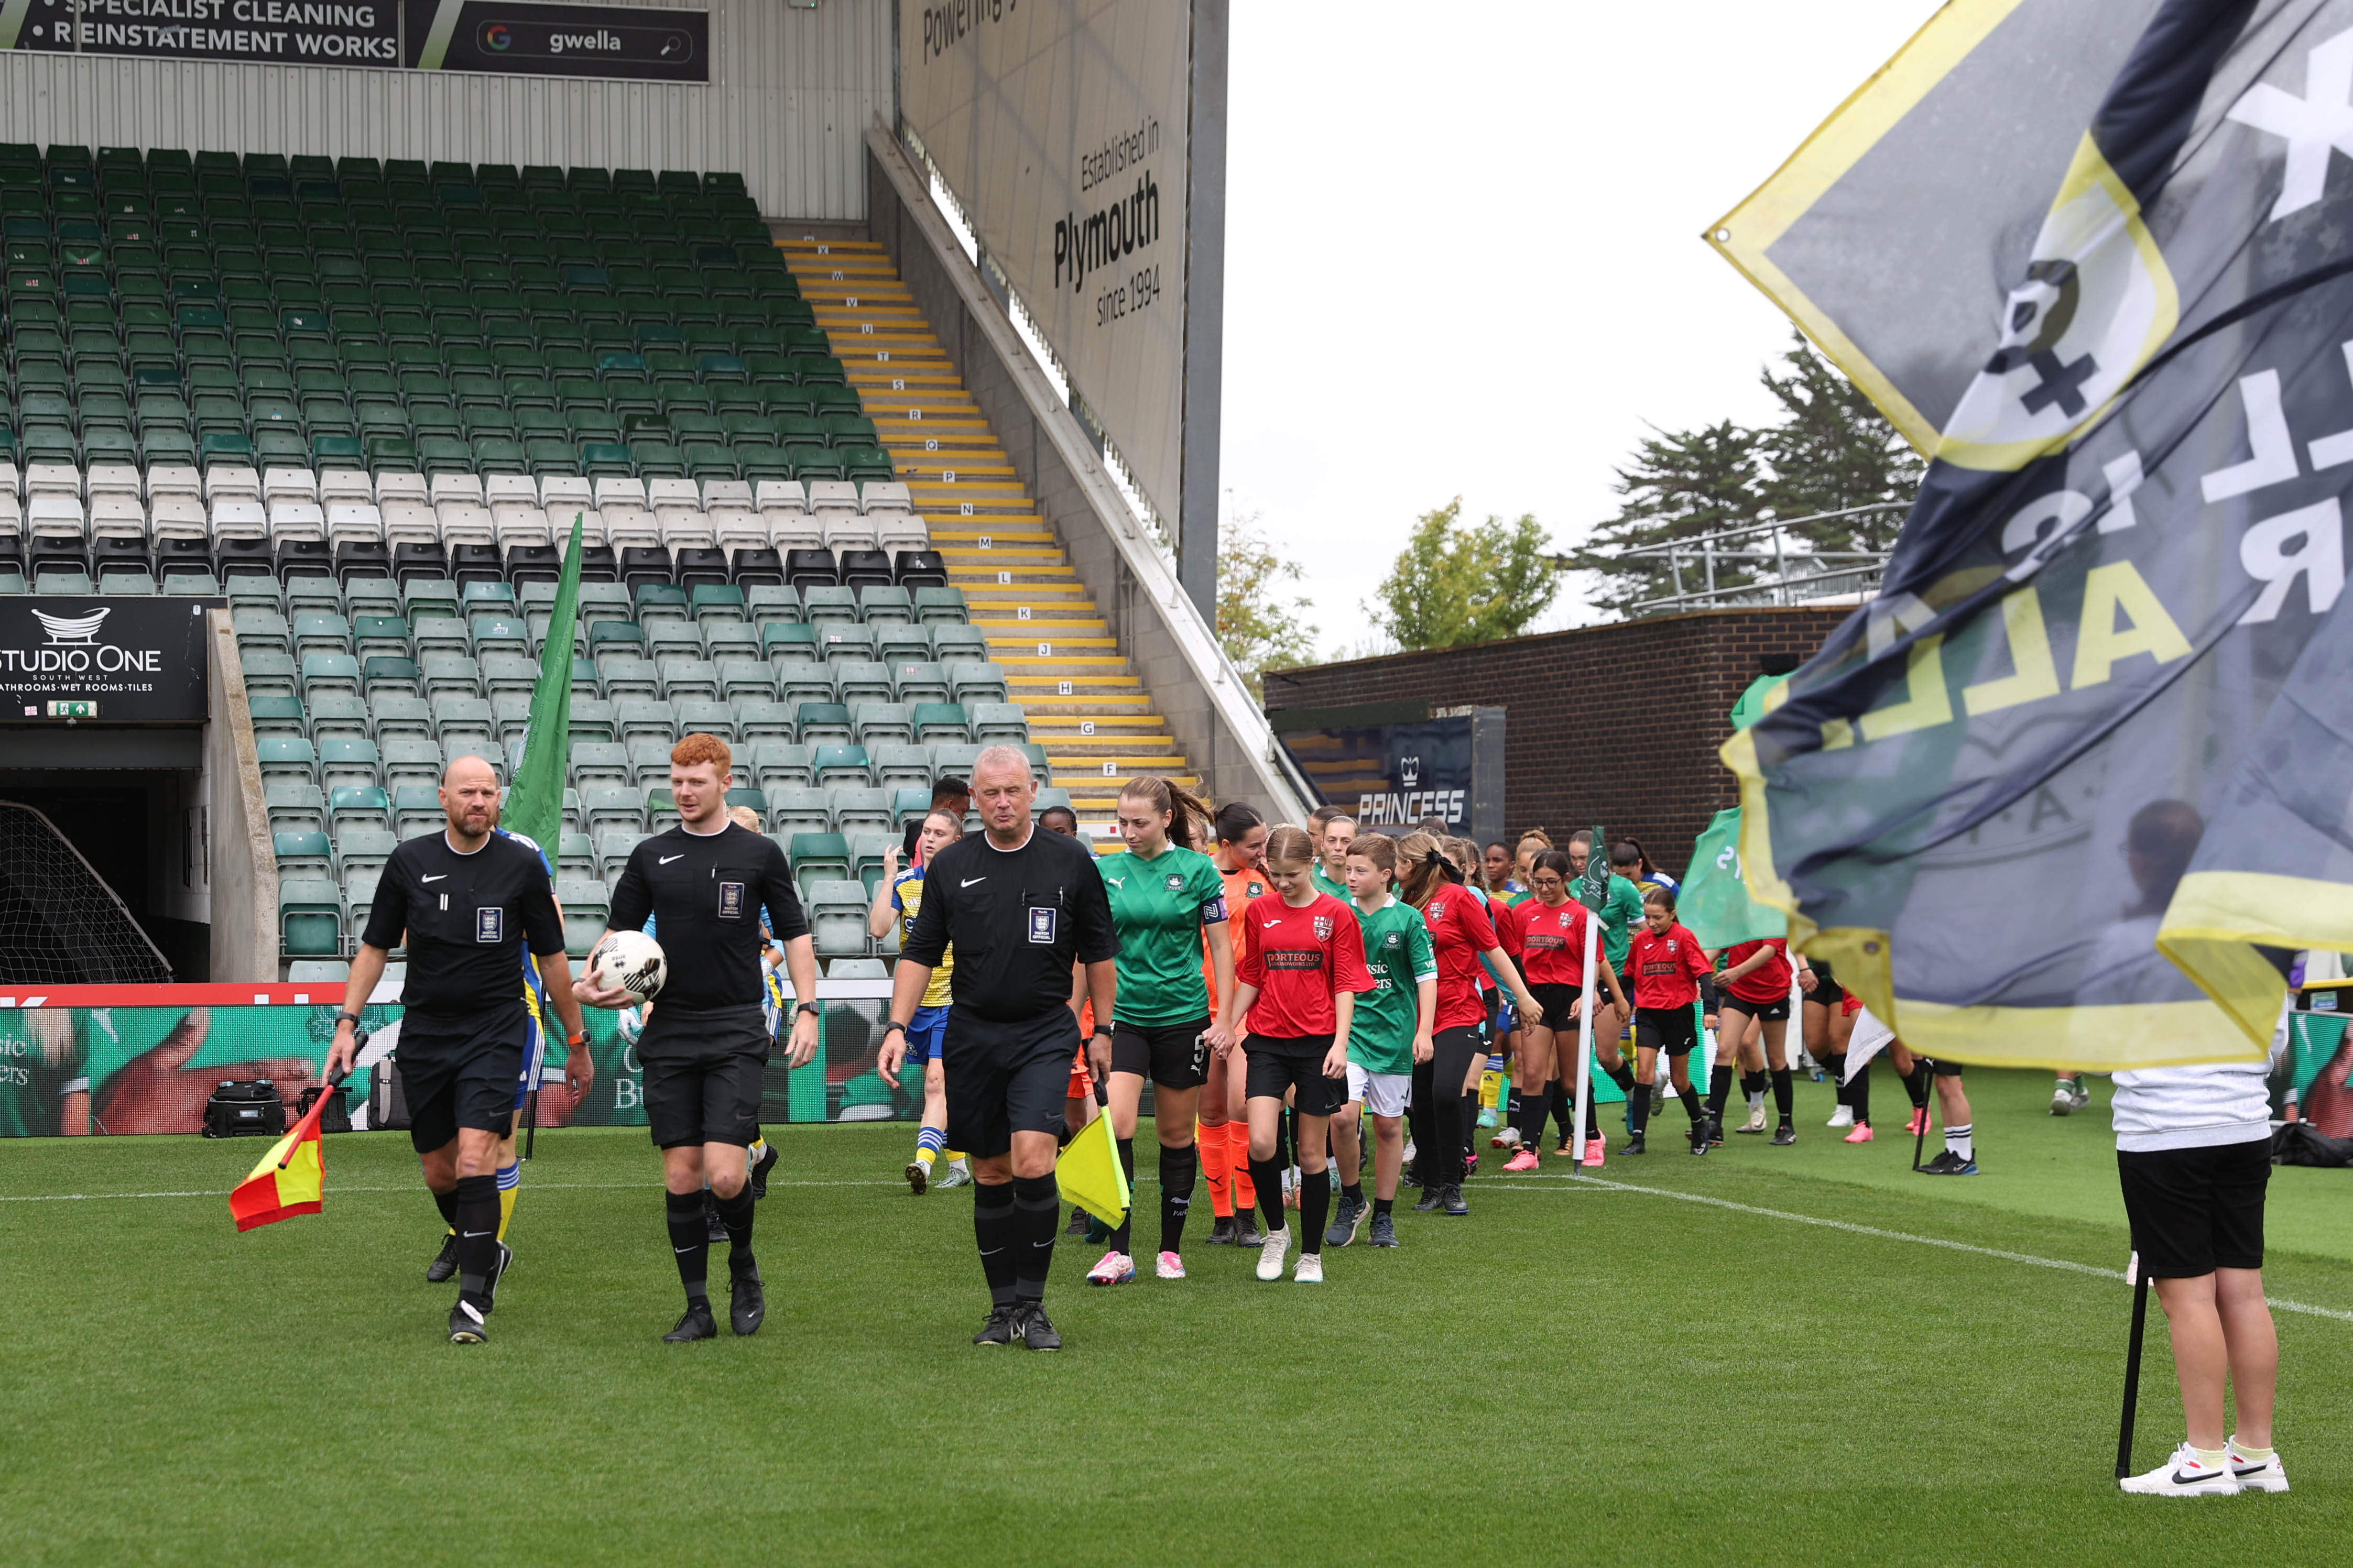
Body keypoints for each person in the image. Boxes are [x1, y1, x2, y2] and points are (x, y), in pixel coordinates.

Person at [326, 755, 588, 1345]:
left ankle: (471, 1303)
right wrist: (347, 1022)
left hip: (497, 1030)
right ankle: (486, 1250)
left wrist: (577, 1040)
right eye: (468, 791)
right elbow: (373, 950)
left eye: (488, 792)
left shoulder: (523, 866)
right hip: (426, 1034)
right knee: (439, 1169)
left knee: (477, 1156)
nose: (479, 801)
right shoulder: (409, 862)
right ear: (443, 796)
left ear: (498, 799)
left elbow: (552, 963)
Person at [580, 734, 821, 1342]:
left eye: (697, 781)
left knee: (727, 1175)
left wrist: (808, 1008)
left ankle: (742, 1264)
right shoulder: (649, 855)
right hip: (670, 1029)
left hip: (736, 1025)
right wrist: (588, 985)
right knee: (682, 1176)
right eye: (677, 781)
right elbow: (616, 939)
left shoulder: (758, 853)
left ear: (724, 781)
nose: (684, 792)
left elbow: (794, 935)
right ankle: (696, 1306)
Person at [879, 745, 1118, 1350]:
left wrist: (1104, 1030)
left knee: (1034, 1160)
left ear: (1032, 789)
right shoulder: (952, 865)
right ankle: (1000, 1307)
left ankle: (1034, 1307)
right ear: (973, 799)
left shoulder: (1070, 860)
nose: (1002, 802)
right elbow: (919, 951)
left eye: (1012, 790)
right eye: (990, 793)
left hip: (1044, 1031)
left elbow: (1098, 952)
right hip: (972, 1032)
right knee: (989, 1168)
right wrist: (896, 1025)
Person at [2114, 1019, 2289, 1495]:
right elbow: (2276, 1037)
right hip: (2245, 1124)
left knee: (2188, 1296)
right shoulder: (2261, 942)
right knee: (2244, 1292)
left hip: (2165, 1127)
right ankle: (2255, 1454)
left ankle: (2206, 1459)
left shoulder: (2133, 943)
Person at [1085, 776, 1235, 1284]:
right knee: (1118, 1126)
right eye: (1121, 821)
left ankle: (1169, 1249)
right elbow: (1088, 953)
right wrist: (1076, 1020)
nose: (1127, 831)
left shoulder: (1198, 871)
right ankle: (1118, 1249)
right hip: (1123, 1018)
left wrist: (1224, 1019)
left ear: (1165, 818)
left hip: (1183, 1017)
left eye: (1138, 822)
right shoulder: (1103, 871)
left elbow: (1220, 949)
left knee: (1175, 1136)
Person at [1214, 824, 1373, 1282]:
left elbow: (1346, 983)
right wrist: (1227, 1023)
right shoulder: (1261, 910)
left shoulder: (1337, 913)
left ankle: (1310, 1255)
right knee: (1262, 1143)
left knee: (1309, 1153)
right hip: (1266, 1040)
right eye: (1276, 874)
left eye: (1291, 874)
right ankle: (1276, 1234)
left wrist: (1341, 1044)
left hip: (1318, 1045)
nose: (1282, 883)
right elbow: (1251, 976)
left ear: (1311, 865)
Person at [1396, 831, 1541, 1216]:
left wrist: (1522, 996)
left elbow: (1494, 949)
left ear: (1412, 865)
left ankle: (1451, 1180)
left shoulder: (1461, 898)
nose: (1394, 872)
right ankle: (1430, 1184)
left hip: (1460, 1011)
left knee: (1446, 1092)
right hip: (1418, 1017)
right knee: (1420, 1104)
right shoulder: (1405, 901)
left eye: (1398, 864)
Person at [1327, 833, 1436, 1248]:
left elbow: (1427, 977)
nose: (1350, 877)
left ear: (1386, 875)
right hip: (1348, 1033)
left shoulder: (1408, 919)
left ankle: (1384, 1216)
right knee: (1341, 1117)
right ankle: (1353, 1198)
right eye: (1348, 870)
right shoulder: (1339, 913)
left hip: (1394, 1035)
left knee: (1389, 1127)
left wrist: (1424, 1030)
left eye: (1360, 870)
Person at [1496, 850, 1628, 1170]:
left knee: (1571, 1081)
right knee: (1532, 1074)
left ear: (1566, 879)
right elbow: (1511, 956)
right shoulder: (1524, 913)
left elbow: (1595, 960)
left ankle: (1592, 1137)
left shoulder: (1582, 915)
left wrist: (1588, 994)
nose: (1543, 889)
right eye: (1537, 882)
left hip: (1570, 1002)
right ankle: (1529, 1149)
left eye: (1551, 882)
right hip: (1536, 1001)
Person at [870, 807, 971, 1195]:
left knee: (935, 1082)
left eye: (939, 833)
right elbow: (878, 928)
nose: (929, 838)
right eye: (926, 831)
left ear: (956, 841)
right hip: (915, 1004)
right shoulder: (907, 883)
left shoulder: (965, 886)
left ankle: (923, 1162)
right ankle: (959, 1165)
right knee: (945, 1090)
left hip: (954, 999)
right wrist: (889, 878)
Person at [1199, 802, 1272, 1246]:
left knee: (1243, 1106)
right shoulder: (1199, 876)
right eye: (1254, 844)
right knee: (1210, 1111)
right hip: (1201, 1010)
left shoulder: (1266, 881)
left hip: (1248, 1009)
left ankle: (1247, 1213)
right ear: (1227, 845)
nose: (1262, 850)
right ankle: (1222, 1216)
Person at [1621, 885, 1714, 1155]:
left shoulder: (1684, 938)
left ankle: (1699, 1126)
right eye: (1648, 917)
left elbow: (1704, 975)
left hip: (1678, 1016)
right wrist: (1607, 995)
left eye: (1657, 917)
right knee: (1644, 1073)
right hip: (1649, 1014)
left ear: (1672, 915)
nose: (1651, 923)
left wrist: (1710, 1009)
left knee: (1680, 1079)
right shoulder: (1641, 941)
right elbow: (1628, 977)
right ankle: (1638, 1139)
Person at [1712, 935, 1798, 1145]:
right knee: (1724, 1050)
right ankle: (1714, 1125)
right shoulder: (1735, 912)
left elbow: (1769, 950)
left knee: (1776, 1058)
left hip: (1772, 990)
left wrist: (1735, 972)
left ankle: (1786, 1126)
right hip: (1740, 991)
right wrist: (1695, 969)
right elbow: (1718, 944)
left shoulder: (1772, 912)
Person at [1305, 805, 1352, 900]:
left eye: (1313, 835)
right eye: (1308, 833)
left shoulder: (1363, 877)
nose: (1308, 839)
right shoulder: (1306, 873)